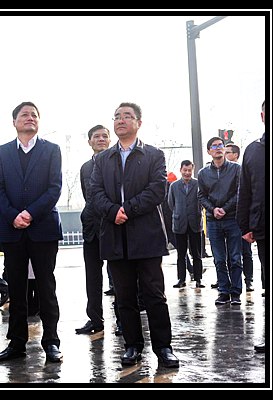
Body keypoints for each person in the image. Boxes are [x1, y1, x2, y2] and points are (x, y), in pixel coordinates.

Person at [90, 102, 179, 368]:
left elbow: (157, 190)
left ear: (139, 122)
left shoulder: (153, 155)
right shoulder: (103, 159)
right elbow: (94, 192)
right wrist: (112, 211)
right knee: (124, 296)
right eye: (117, 116)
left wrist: (127, 209)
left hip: (146, 236)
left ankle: (163, 347)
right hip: (114, 235)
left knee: (154, 295)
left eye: (127, 116)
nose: (120, 120)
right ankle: (132, 346)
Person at [0, 102, 64, 363]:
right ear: (14, 122)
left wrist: (30, 214)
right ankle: (16, 343)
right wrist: (14, 215)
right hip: (13, 230)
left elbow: (54, 188)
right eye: (24, 114)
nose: (30, 118)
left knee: (46, 288)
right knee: (16, 288)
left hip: (43, 228)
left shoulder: (51, 150)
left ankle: (51, 342)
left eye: (34, 115)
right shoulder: (1, 152)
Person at [197, 137, 242, 305]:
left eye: (220, 145)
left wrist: (225, 209)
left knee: (235, 257)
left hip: (232, 219)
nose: (218, 148)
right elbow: (201, 195)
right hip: (213, 220)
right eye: (214, 146)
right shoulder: (203, 173)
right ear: (209, 151)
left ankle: (236, 292)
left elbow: (240, 192)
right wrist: (213, 209)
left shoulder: (236, 169)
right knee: (219, 258)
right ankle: (224, 291)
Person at [76, 125, 112, 335]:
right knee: (92, 277)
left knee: (120, 278)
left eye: (104, 136)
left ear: (110, 140)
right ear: (89, 141)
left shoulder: (117, 163)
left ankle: (123, 320)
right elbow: (87, 196)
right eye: (96, 136)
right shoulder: (85, 168)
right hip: (91, 227)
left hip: (114, 226)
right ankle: (95, 320)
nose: (101, 139)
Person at [237, 100, 266, 352]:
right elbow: (245, 189)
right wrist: (244, 224)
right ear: (263, 116)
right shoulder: (253, 150)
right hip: (264, 226)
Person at [167, 160, 205, 288]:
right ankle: (181, 279)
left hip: (195, 222)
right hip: (180, 223)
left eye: (189, 170)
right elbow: (171, 203)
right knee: (181, 254)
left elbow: (202, 201)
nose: (187, 173)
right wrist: (179, 213)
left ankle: (199, 279)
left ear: (192, 170)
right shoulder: (174, 186)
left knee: (197, 254)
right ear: (180, 170)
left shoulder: (198, 184)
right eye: (185, 170)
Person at [225, 143, 254, 291]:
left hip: (242, 219)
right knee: (230, 253)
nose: (225, 155)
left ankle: (249, 280)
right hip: (229, 217)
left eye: (228, 153)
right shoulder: (224, 172)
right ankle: (231, 280)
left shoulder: (242, 171)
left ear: (235, 155)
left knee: (245, 252)